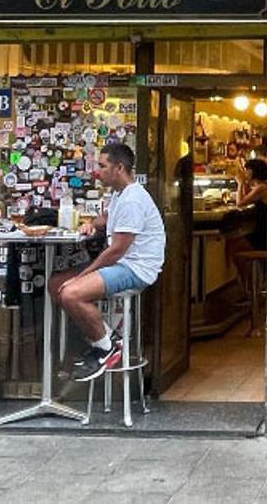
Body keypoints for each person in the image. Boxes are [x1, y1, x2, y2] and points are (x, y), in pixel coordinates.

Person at [50, 143, 166, 382]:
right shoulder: (120, 193)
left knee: (71, 293)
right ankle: (99, 337)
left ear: (119, 168)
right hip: (121, 263)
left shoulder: (133, 200)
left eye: (102, 166)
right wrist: (92, 223)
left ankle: (107, 346)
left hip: (135, 268)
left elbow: (116, 251)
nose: (97, 171)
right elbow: (107, 216)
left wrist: (82, 277)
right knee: (55, 285)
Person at [226, 157, 267, 289]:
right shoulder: (261, 187)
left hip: (262, 236)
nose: (245, 173)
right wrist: (244, 184)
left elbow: (240, 203)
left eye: (247, 170)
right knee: (233, 244)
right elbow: (246, 198)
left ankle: (251, 288)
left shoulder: (262, 188)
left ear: (253, 172)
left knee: (234, 245)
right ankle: (250, 286)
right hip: (261, 232)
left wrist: (240, 183)